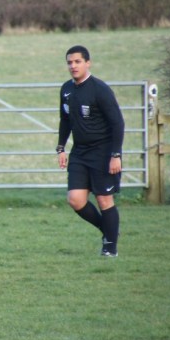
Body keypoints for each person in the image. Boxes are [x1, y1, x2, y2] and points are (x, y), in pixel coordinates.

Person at [56, 45, 125, 257]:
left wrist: (115, 155)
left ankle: (110, 248)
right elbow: (65, 120)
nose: (73, 66)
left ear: (88, 63)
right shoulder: (66, 89)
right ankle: (109, 230)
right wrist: (61, 148)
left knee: (104, 200)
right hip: (80, 152)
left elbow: (118, 123)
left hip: (103, 153)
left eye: (77, 61)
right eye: (70, 62)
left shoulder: (100, 89)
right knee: (75, 199)